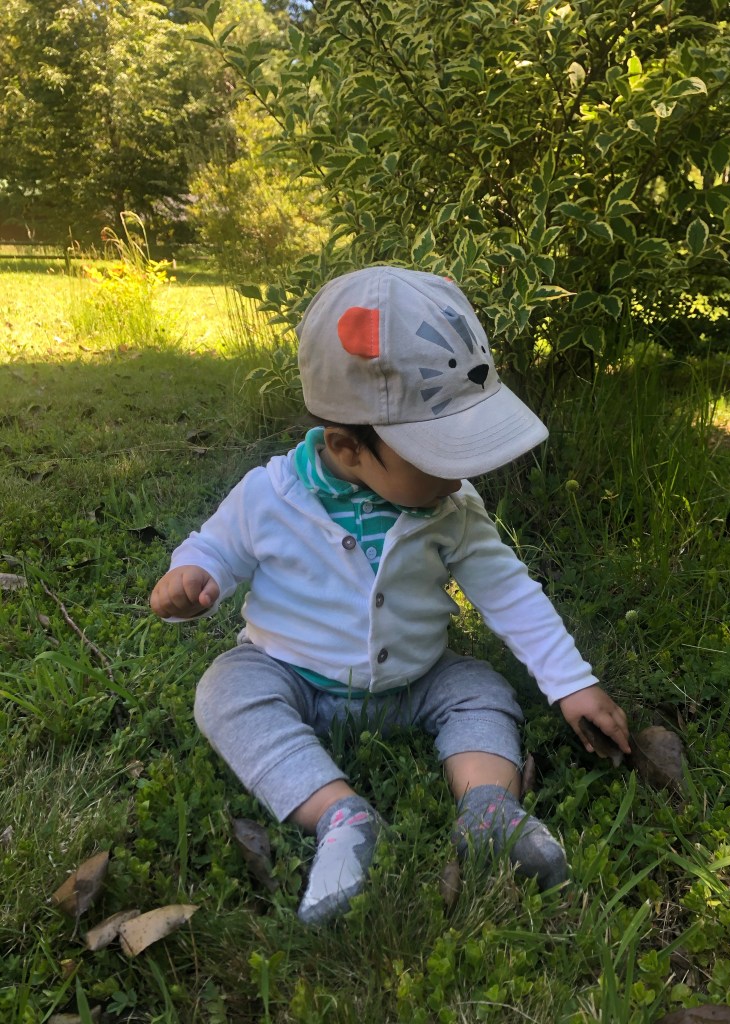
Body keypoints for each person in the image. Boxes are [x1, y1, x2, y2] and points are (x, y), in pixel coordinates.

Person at [150, 266, 630, 925]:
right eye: (438, 455)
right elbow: (215, 548)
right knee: (226, 690)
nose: (458, 475)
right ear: (347, 447)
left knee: (479, 687)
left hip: (416, 680)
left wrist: (571, 683)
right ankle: (340, 815)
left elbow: (508, 591)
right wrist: (191, 576)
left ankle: (488, 808)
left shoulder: (453, 507)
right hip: (294, 676)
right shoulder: (269, 496)